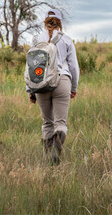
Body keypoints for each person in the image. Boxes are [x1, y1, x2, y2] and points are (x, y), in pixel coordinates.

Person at [26, 8, 80, 165]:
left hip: (41, 83)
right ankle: (57, 149)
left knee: (47, 122)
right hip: (62, 81)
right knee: (60, 123)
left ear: (45, 22)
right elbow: (74, 66)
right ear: (60, 22)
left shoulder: (36, 40)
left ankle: (48, 160)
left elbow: (31, 65)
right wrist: (74, 88)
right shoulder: (67, 40)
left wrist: (30, 90)